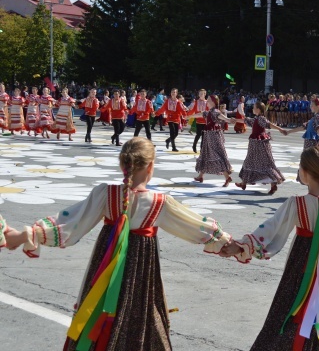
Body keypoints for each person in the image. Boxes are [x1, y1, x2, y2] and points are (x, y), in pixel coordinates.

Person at [3, 137, 235, 349]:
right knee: (141, 314)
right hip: (140, 273)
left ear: (122, 165)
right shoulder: (160, 202)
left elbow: (70, 225)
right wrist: (227, 244)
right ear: (150, 167)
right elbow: (195, 227)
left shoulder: (105, 194)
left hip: (105, 265)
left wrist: (25, 235)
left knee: (98, 310)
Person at [219, 147, 319, 350]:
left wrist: (240, 246)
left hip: (299, 267)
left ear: (304, 174)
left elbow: (270, 229)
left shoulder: (297, 204)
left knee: (288, 309)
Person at [234, 101, 286, 195]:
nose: (253, 109)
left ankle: (273, 183)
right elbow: (246, 120)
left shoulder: (261, 118)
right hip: (254, 144)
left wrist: (280, 129)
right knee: (249, 162)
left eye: (254, 107)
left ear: (258, 109)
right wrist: (235, 120)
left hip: (261, 145)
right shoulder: (256, 119)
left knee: (266, 163)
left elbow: (269, 124)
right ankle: (244, 183)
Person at [192, 95, 236, 186]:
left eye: (208, 100)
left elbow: (222, 117)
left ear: (213, 102)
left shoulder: (215, 111)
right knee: (206, 154)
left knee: (215, 155)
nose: (206, 102)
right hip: (209, 135)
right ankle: (200, 176)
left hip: (213, 136)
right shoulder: (208, 112)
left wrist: (228, 119)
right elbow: (199, 114)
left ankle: (227, 177)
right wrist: (189, 117)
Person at [187, 89, 209, 153]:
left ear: (205, 94)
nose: (201, 95)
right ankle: (194, 145)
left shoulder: (207, 102)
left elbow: (208, 111)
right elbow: (193, 110)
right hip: (198, 120)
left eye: (202, 93)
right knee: (198, 134)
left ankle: (202, 149)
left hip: (205, 121)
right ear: (198, 94)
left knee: (204, 136)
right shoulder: (196, 102)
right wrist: (187, 115)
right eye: (200, 94)